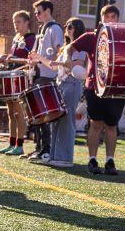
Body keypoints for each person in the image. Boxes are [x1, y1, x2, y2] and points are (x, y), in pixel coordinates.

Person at [69, 4, 125, 175]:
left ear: (118, 19)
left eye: (113, 17)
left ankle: (110, 161)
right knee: (95, 124)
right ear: (101, 19)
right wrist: (71, 63)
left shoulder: (124, 37)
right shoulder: (91, 37)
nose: (109, 20)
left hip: (116, 88)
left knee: (111, 126)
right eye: (106, 17)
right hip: (94, 87)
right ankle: (92, 160)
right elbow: (70, 48)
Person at [30, 17, 88, 167]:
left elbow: (77, 65)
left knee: (67, 121)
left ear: (76, 29)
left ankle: (65, 158)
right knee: (56, 120)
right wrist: (39, 58)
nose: (66, 29)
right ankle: (55, 155)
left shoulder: (80, 47)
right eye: (66, 26)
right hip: (61, 83)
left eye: (70, 27)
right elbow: (54, 67)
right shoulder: (65, 47)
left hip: (72, 83)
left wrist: (60, 63)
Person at [26, 0, 63, 161]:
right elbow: (35, 54)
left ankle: (46, 150)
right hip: (37, 75)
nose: (36, 15)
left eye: (38, 12)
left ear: (47, 11)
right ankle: (39, 148)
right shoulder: (42, 29)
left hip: (47, 76)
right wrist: (32, 60)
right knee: (37, 115)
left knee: (45, 114)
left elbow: (59, 52)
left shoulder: (55, 29)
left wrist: (45, 61)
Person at [0, 10, 36, 155]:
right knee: (10, 113)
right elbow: (13, 56)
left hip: (21, 78)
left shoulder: (31, 39)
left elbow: (30, 60)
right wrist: (6, 57)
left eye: (18, 22)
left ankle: (19, 146)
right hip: (12, 78)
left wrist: (11, 59)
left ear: (27, 22)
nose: (16, 25)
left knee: (19, 113)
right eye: (14, 22)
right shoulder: (16, 38)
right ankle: (11, 143)